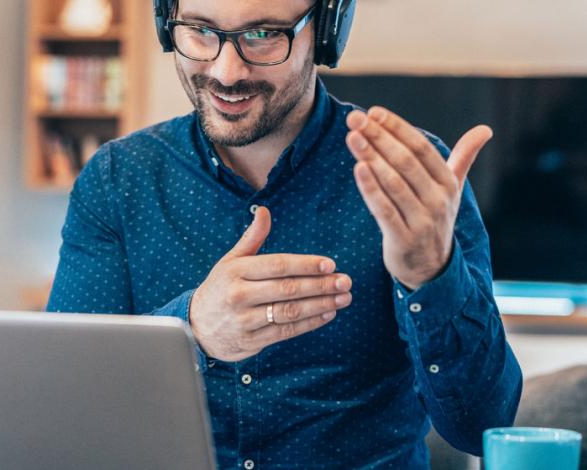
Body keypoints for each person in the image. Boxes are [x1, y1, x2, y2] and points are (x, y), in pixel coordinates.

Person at [47, 0, 523, 467]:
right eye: (200, 30)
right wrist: (191, 330)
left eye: (263, 34)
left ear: (327, 30)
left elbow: (483, 427)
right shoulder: (117, 179)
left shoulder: (415, 179)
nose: (227, 71)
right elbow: (65, 408)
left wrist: (430, 273)